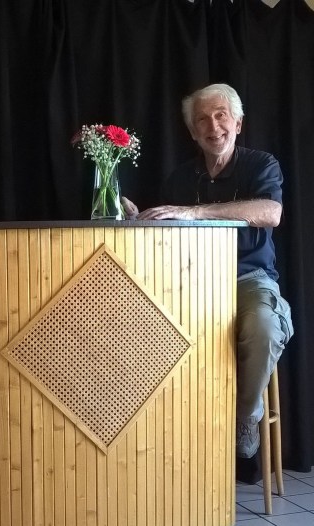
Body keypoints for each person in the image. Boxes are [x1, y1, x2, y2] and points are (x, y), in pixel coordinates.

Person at [121, 83, 293, 483]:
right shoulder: (181, 177)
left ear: (238, 123)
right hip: (191, 286)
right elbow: (167, 236)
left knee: (265, 326)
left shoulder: (260, 164)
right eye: (202, 119)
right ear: (192, 131)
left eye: (220, 116)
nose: (213, 126)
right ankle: (158, 450)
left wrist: (196, 212)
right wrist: (138, 219)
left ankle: (244, 418)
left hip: (247, 279)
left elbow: (271, 212)